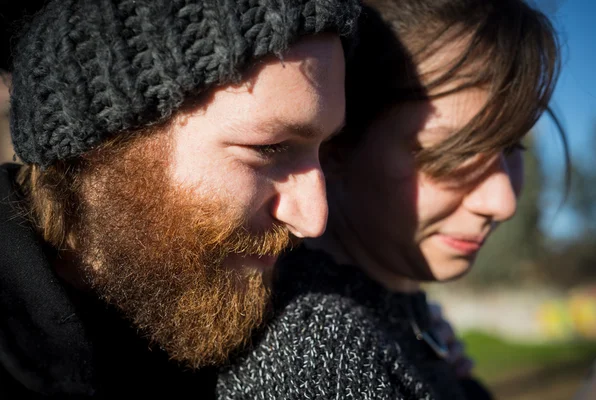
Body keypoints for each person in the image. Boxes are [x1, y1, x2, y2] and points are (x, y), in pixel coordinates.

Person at [0, 0, 361, 398]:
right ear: (102, 144)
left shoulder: (312, 317)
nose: (313, 220)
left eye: (323, 149)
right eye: (270, 148)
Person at [216, 0, 565, 399]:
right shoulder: (327, 357)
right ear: (337, 147)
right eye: (451, 155)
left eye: (513, 147)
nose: (502, 202)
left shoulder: (397, 323)